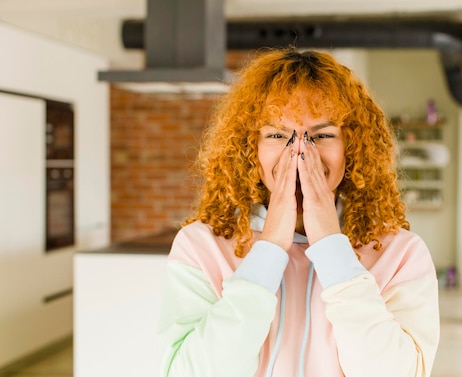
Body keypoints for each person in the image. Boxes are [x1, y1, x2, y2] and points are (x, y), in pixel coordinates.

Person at [157, 48, 440, 377]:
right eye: (277, 135)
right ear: (252, 149)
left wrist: (334, 250)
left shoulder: (401, 253)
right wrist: (269, 249)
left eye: (323, 135)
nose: (301, 152)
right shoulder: (200, 247)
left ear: (353, 148)